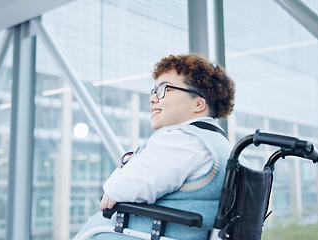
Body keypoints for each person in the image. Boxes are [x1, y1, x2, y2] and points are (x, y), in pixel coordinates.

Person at [75, 53, 236, 240]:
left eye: (164, 89)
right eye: (154, 91)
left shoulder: (182, 141)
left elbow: (118, 189)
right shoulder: (220, 145)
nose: (153, 99)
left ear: (198, 104)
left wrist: (115, 183)